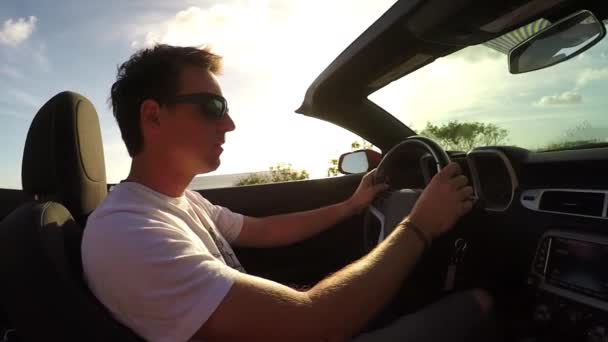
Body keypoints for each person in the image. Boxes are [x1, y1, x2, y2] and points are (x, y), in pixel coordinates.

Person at [82, 44, 493, 342]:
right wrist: (420, 224)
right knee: (480, 302)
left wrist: (351, 206)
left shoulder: (178, 202)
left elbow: (263, 230)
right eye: (213, 108)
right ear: (153, 115)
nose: (230, 125)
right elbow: (314, 325)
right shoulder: (126, 233)